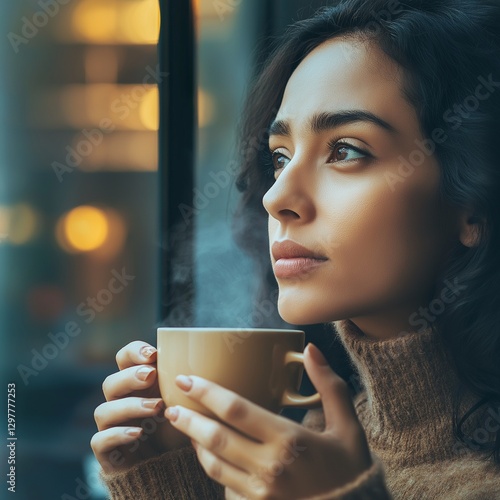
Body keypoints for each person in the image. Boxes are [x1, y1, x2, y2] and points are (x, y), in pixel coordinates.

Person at [91, 0, 500, 497]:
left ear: (472, 204)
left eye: (346, 150)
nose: (276, 196)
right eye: (280, 157)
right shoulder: (299, 452)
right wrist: (172, 480)